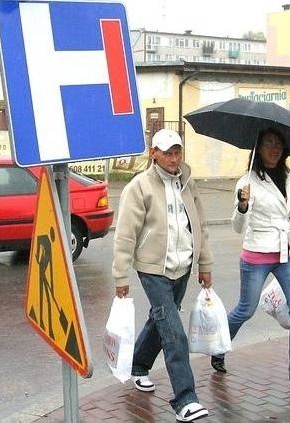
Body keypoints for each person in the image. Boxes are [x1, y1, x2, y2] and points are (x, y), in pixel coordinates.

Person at [210, 126, 290, 399]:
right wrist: (242, 206)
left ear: (284, 150)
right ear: (258, 148)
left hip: (288, 255)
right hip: (257, 255)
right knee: (245, 311)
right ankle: (218, 347)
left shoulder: (287, 176)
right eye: (268, 143)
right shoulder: (246, 182)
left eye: (278, 144)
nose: (274, 149)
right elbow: (238, 227)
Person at [112, 128, 214, 422]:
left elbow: (200, 227)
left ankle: (138, 365)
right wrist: (121, 276)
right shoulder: (139, 187)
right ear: (153, 154)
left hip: (182, 268)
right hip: (153, 270)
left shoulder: (188, 184)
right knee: (173, 332)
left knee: (160, 321)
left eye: (177, 152)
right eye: (167, 152)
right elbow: (125, 236)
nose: (173, 158)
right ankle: (185, 398)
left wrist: (205, 264)